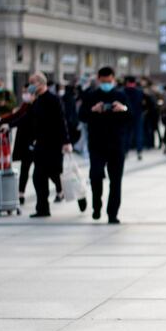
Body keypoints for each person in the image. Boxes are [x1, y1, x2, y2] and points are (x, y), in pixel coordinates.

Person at [78, 66, 130, 224]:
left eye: (109, 81)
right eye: (103, 81)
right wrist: (93, 110)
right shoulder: (91, 96)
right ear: (98, 80)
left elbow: (132, 116)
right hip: (97, 144)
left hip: (116, 144)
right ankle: (96, 206)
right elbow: (81, 116)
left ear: (113, 79)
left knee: (116, 181)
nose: (106, 84)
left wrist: (123, 109)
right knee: (95, 175)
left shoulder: (121, 95)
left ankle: (112, 213)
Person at [27, 72, 72, 218]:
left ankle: (77, 195)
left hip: (53, 145)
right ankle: (43, 208)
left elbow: (61, 121)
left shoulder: (54, 99)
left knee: (55, 174)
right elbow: (27, 118)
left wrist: (66, 142)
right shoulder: (36, 100)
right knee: (38, 177)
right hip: (40, 145)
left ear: (41, 83)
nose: (30, 87)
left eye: (32, 83)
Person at [122, 76, 145, 160]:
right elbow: (145, 103)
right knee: (139, 134)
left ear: (127, 82)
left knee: (127, 135)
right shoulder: (140, 91)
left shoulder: (123, 91)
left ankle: (125, 152)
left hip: (126, 116)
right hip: (138, 116)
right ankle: (139, 152)